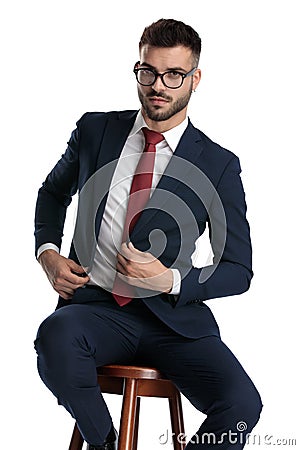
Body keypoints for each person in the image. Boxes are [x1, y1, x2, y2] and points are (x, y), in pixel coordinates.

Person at [34, 18, 262, 450]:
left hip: (173, 323)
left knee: (241, 403)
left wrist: (171, 281)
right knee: (55, 337)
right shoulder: (95, 131)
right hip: (96, 311)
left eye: (174, 74)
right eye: (148, 72)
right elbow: (51, 193)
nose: (159, 85)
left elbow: (238, 269)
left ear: (195, 79)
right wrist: (47, 252)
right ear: (138, 69)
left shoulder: (218, 164)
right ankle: (106, 444)